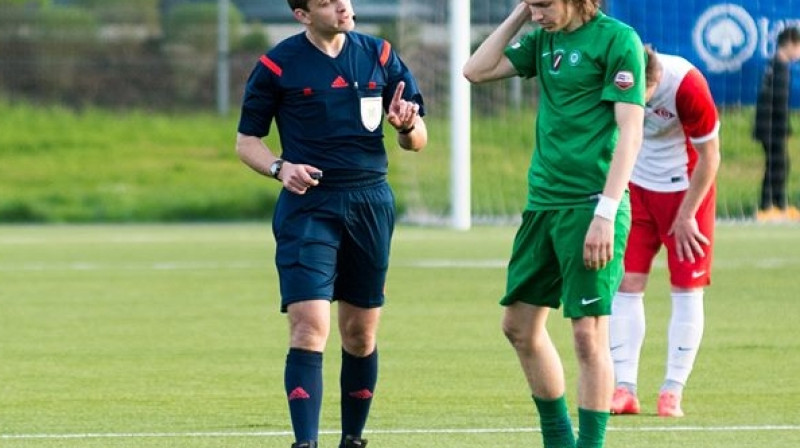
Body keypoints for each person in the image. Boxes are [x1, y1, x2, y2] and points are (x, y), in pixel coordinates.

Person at [235, 0, 428, 447]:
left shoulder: (379, 54)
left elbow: (417, 140)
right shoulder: (276, 64)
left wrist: (405, 125)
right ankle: (305, 442)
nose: (343, 6)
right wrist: (281, 168)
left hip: (370, 202)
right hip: (309, 205)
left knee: (360, 334)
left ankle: (352, 439)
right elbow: (247, 142)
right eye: (327, 1)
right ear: (302, 14)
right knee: (309, 325)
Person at [463, 1, 645, 447]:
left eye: (543, 4)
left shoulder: (617, 39)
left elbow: (630, 129)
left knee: (587, 334)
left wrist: (606, 210)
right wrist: (521, 16)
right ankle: (559, 441)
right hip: (543, 203)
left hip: (591, 205)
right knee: (519, 327)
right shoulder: (542, 39)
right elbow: (475, 70)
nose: (537, 12)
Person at [609, 47, 721, 418]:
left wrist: (688, 214)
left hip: (687, 193)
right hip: (637, 189)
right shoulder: (617, 75)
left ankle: (672, 391)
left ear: (654, 81)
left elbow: (711, 157)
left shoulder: (687, 86)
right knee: (625, 284)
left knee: (686, 289)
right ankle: (624, 389)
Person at [753, 26, 800, 222]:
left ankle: (776, 205)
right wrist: (784, 127)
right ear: (789, 44)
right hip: (771, 127)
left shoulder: (775, 65)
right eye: (798, 47)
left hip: (768, 125)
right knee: (778, 165)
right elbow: (778, 102)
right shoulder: (779, 67)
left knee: (778, 164)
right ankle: (770, 207)